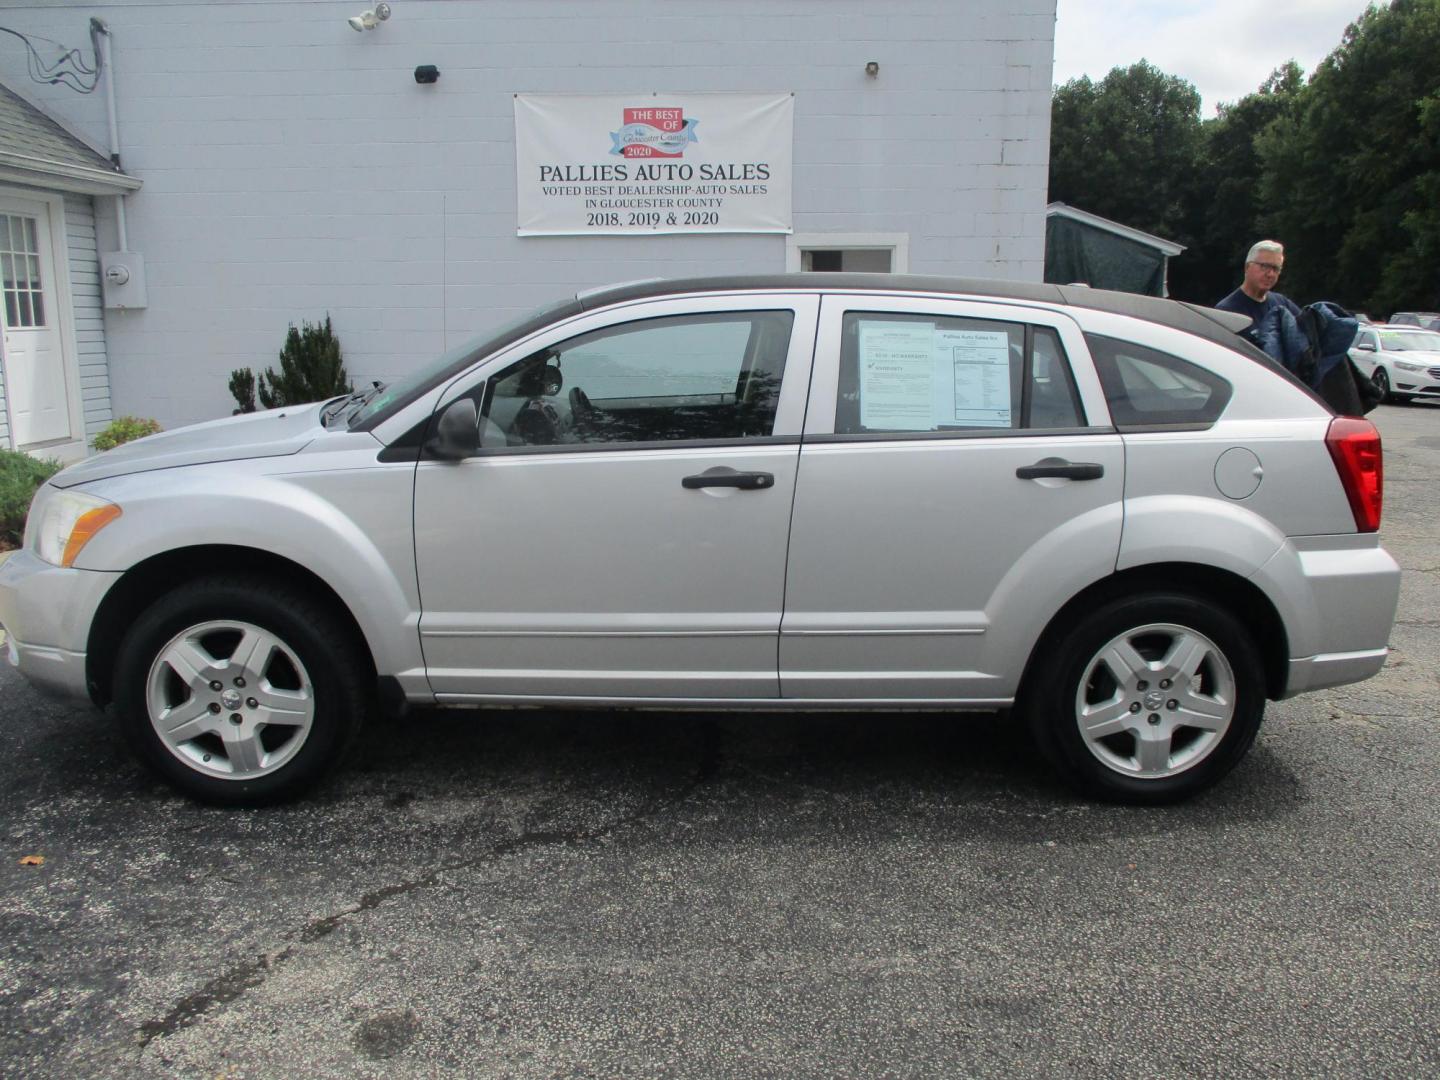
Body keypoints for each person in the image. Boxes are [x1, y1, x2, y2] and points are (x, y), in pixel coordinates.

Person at [1216, 240, 1306, 370]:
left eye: (1275, 269)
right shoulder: (1226, 311)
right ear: (1247, 267)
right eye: (1264, 266)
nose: (1270, 274)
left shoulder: (1282, 304)